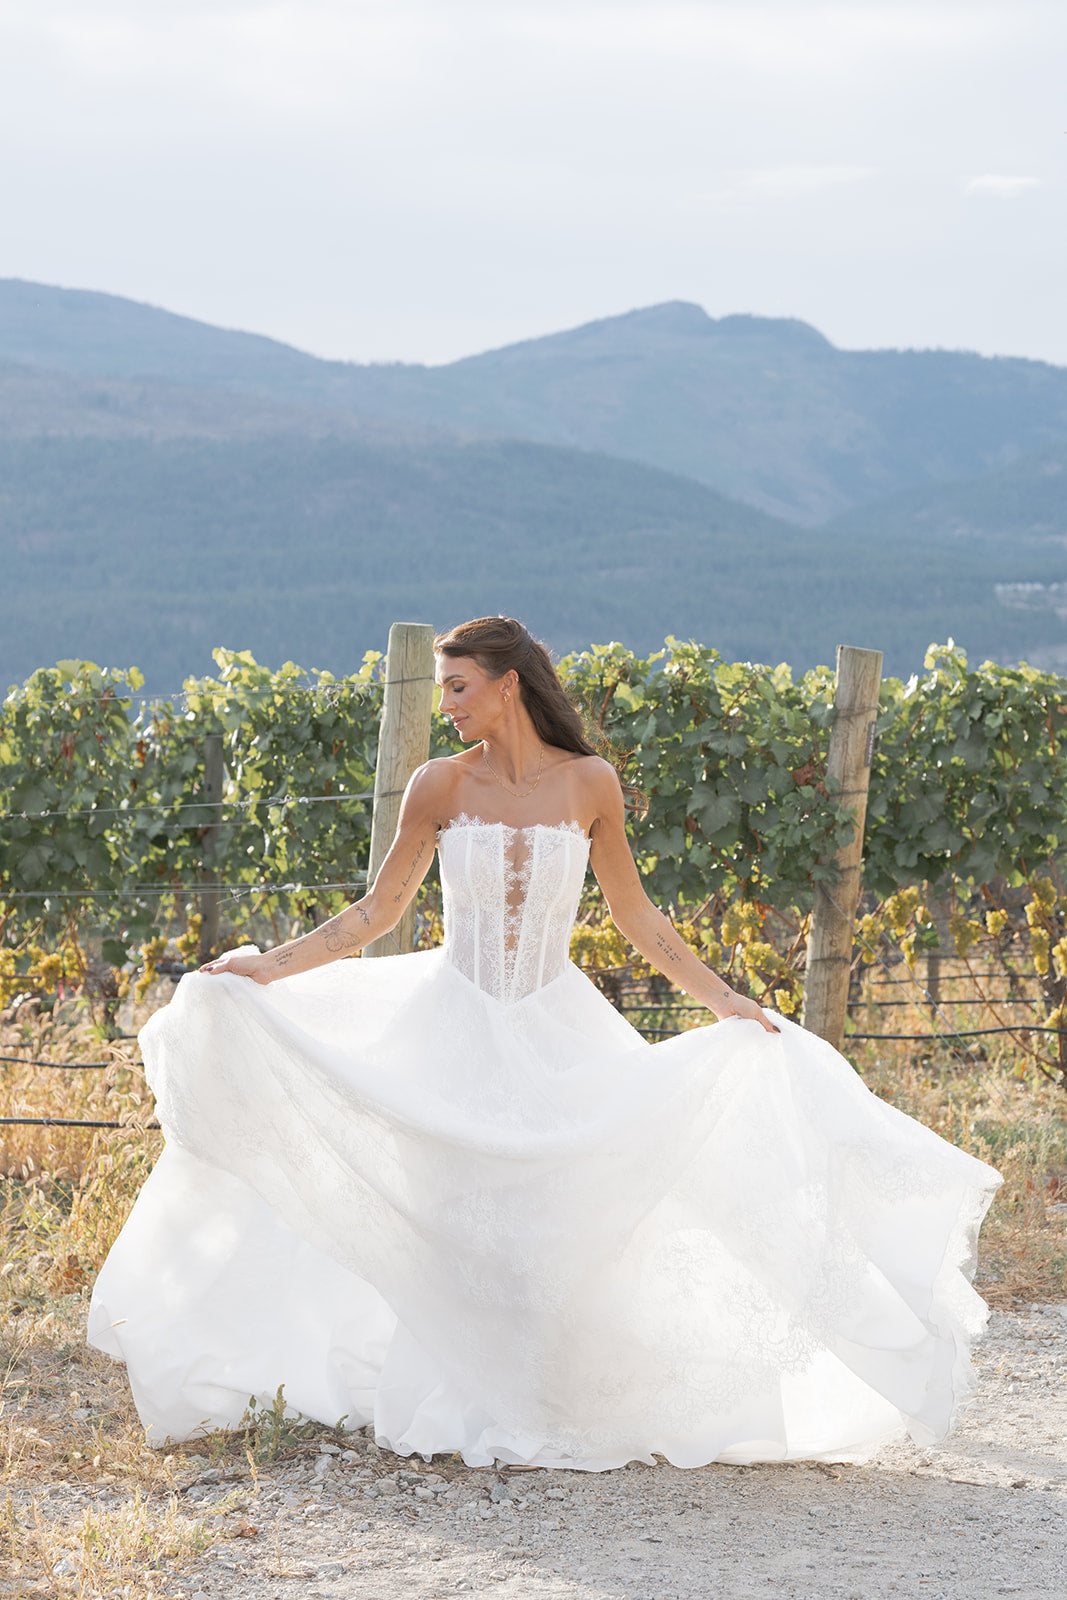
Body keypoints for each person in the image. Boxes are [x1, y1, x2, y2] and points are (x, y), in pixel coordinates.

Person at [89, 616, 1001, 1470]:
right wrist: (262, 972)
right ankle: (459, 1391)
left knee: (563, 1209)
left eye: (456, 687)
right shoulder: (440, 784)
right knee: (452, 1210)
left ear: (508, 685)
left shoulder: (588, 782)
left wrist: (727, 1000)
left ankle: (547, 1391)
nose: (444, 705)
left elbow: (637, 918)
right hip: (454, 1019)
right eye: (442, 691)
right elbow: (378, 910)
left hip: (555, 1020)